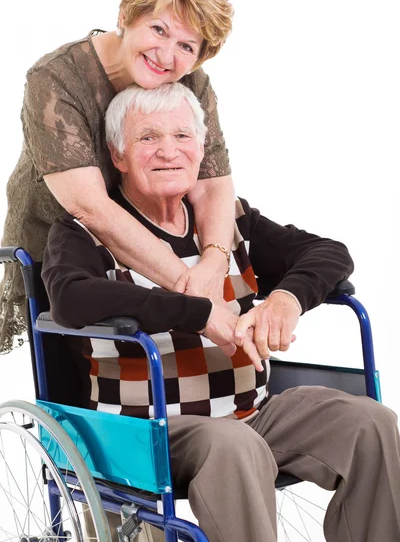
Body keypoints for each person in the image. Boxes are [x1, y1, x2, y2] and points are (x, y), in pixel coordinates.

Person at [42, 83, 400, 542]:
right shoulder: (85, 232)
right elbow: (71, 299)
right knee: (233, 444)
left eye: (182, 136)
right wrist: (195, 313)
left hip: (251, 414)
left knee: (371, 423)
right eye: (148, 138)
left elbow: (329, 253)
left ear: (202, 149)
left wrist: (285, 299)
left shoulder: (228, 220)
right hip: (148, 433)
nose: (168, 151)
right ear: (119, 155)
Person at [0, 0, 235, 355]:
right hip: (61, 244)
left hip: (152, 232)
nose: (166, 55)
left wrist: (213, 264)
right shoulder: (56, 79)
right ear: (127, 16)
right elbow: (91, 209)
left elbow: (213, 184)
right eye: (158, 29)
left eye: (186, 46)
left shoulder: (192, 81)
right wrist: (197, 299)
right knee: (78, 374)